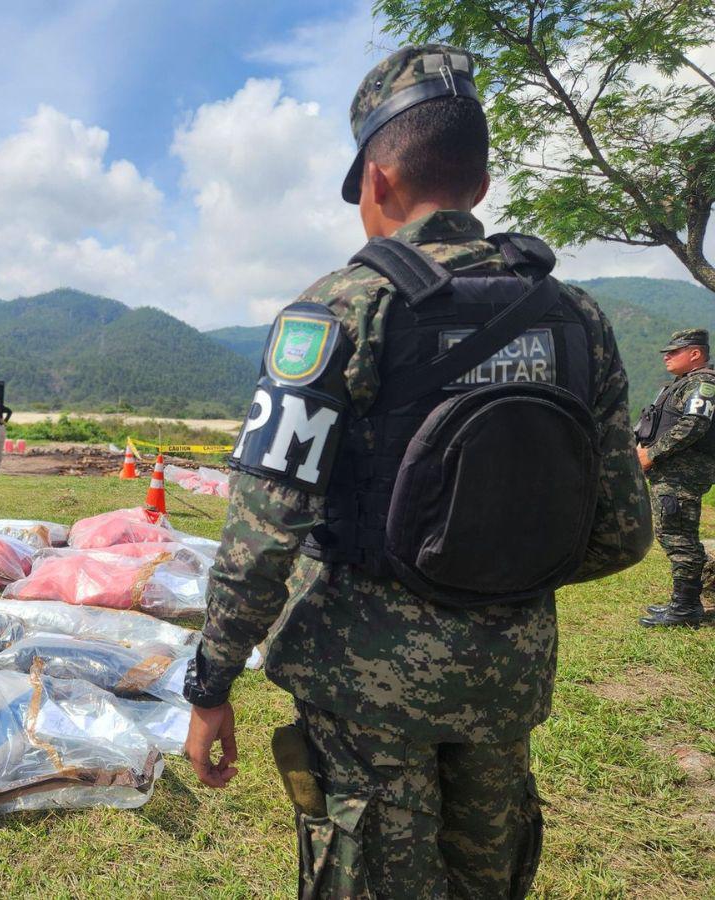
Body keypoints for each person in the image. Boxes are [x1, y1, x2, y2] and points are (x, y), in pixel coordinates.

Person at [183, 45, 652, 898]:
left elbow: (263, 531)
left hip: (363, 686)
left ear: (377, 179)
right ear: (477, 184)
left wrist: (212, 681)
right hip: (506, 677)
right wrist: (493, 569)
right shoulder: (573, 316)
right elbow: (622, 534)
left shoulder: (338, 310)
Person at [635, 329, 715, 627]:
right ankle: (682, 604)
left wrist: (651, 454)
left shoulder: (703, 384)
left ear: (695, 354)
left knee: (679, 538)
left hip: (683, 474)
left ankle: (685, 609)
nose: (666, 356)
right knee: (673, 534)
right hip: (671, 472)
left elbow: (693, 425)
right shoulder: (683, 384)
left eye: (674, 351)